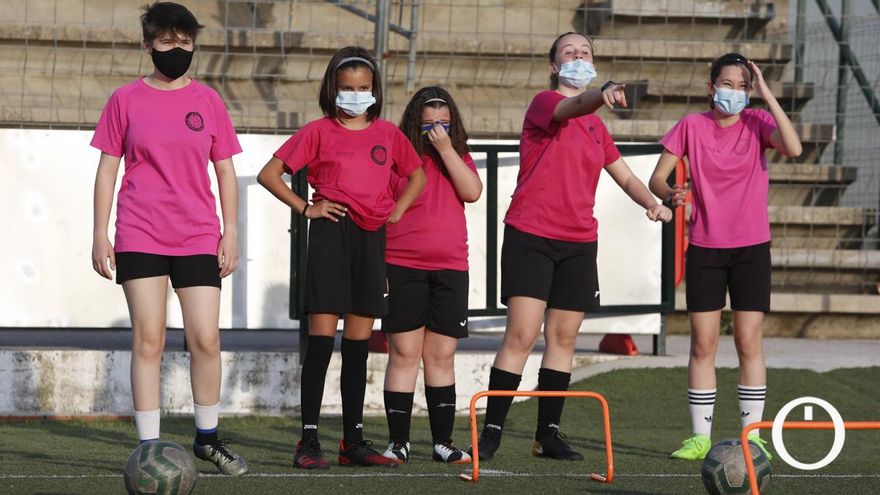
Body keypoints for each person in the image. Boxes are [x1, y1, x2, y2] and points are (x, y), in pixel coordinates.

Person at [470, 32, 672, 461]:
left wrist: (653, 204)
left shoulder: (597, 128)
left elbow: (625, 176)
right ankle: (491, 433)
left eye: (585, 53)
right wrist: (601, 93)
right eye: (570, 53)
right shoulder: (546, 103)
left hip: (579, 242)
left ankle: (548, 435)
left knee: (562, 337)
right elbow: (573, 106)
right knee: (522, 334)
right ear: (554, 66)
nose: (578, 58)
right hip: (531, 235)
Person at [90, 1, 247, 476]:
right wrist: (100, 233)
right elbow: (107, 169)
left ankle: (207, 439)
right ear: (147, 45)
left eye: (185, 41)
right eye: (166, 40)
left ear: (194, 43)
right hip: (140, 233)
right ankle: (150, 448)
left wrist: (231, 231)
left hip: (198, 235)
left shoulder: (209, 101)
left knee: (206, 338)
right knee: (149, 340)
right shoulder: (124, 100)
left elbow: (225, 170)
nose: (176, 49)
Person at [257, 46, 426, 469]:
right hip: (332, 232)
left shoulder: (388, 134)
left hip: (371, 240)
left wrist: (397, 211)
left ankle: (352, 442)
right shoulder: (317, 131)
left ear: (375, 90)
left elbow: (417, 175)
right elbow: (269, 174)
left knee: (358, 346)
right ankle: (308, 441)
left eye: (363, 88)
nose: (354, 95)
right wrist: (306, 207)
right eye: (347, 88)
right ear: (333, 89)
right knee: (320, 344)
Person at [649, 52, 802, 461]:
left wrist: (768, 96)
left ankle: (752, 435)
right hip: (705, 247)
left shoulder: (758, 121)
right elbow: (657, 179)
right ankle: (700, 438)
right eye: (727, 84)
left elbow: (795, 147)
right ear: (710, 87)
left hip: (752, 249)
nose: (734, 93)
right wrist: (671, 195)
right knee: (704, 343)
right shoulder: (690, 126)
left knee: (749, 341)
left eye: (742, 86)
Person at [379, 87, 483, 465]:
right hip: (401, 263)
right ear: (414, 123)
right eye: (428, 124)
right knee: (404, 353)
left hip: (451, 267)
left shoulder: (458, 156)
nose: (435, 130)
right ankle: (399, 442)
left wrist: (446, 150)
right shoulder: (397, 156)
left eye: (442, 123)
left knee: (442, 354)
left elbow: (472, 192)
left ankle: (442, 442)